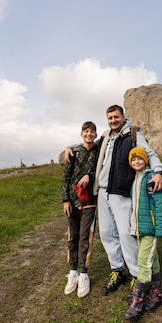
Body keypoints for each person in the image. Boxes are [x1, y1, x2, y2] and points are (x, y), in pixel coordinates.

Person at [66, 105, 162, 296]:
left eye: (116, 117)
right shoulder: (105, 137)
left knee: (126, 235)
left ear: (123, 117)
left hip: (122, 193)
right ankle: (117, 270)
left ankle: (137, 275)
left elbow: (150, 153)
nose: (113, 120)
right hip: (102, 192)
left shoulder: (133, 135)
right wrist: (69, 147)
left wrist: (158, 172)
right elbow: (87, 145)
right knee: (106, 233)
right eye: (110, 118)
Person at [124, 147, 162, 321]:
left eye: (140, 159)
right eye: (133, 160)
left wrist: (160, 228)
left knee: (143, 261)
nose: (136, 162)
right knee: (152, 259)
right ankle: (157, 294)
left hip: (150, 228)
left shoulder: (150, 177)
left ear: (146, 160)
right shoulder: (135, 179)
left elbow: (161, 201)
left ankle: (137, 301)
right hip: (140, 228)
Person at [61, 121, 99, 298]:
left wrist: (89, 176)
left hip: (90, 201)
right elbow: (66, 177)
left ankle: (84, 273)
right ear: (81, 134)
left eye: (92, 131)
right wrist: (66, 200)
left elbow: (103, 171)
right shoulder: (74, 153)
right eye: (86, 131)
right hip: (73, 201)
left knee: (86, 236)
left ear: (96, 135)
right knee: (73, 237)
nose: (89, 134)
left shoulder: (100, 152)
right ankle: (73, 272)